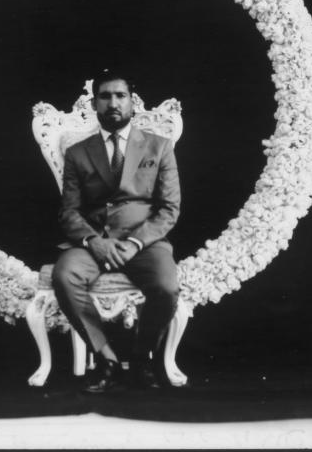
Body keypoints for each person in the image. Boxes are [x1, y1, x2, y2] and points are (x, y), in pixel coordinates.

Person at [52, 69, 181, 392]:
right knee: (64, 276)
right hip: (93, 243)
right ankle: (106, 359)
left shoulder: (159, 147)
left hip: (145, 242)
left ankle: (140, 359)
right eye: (105, 96)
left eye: (120, 96)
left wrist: (136, 242)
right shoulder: (78, 152)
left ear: (132, 102)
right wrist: (94, 243)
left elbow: (169, 209)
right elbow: (69, 211)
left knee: (166, 287)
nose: (113, 103)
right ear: (94, 103)